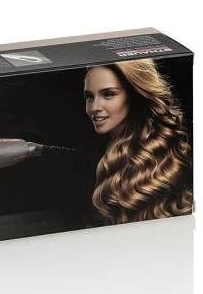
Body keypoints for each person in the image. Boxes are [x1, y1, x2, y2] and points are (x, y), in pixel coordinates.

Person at [83, 59, 193, 224]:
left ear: (134, 95)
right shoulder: (105, 150)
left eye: (109, 94)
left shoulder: (150, 156)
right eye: (89, 97)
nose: (94, 107)